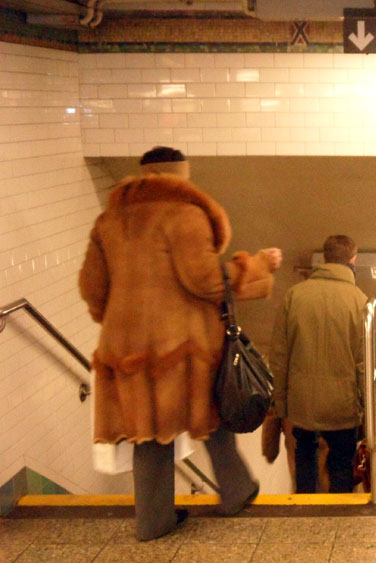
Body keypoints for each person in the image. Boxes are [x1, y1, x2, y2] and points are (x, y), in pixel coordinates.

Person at [79, 146, 282, 541]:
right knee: (210, 414)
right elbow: (205, 280)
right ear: (180, 175)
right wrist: (257, 266)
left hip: (126, 349)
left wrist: (124, 322)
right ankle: (237, 489)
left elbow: (92, 288)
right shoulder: (184, 215)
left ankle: (153, 521)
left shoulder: (108, 221)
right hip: (182, 345)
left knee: (149, 432)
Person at [269, 235, 367, 494]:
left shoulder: (294, 296)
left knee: (304, 459)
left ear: (323, 259)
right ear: (353, 260)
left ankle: (306, 516)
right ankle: (339, 518)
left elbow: (279, 356)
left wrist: (281, 404)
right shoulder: (360, 301)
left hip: (302, 403)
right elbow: (363, 363)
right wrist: (366, 407)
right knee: (342, 464)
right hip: (343, 404)